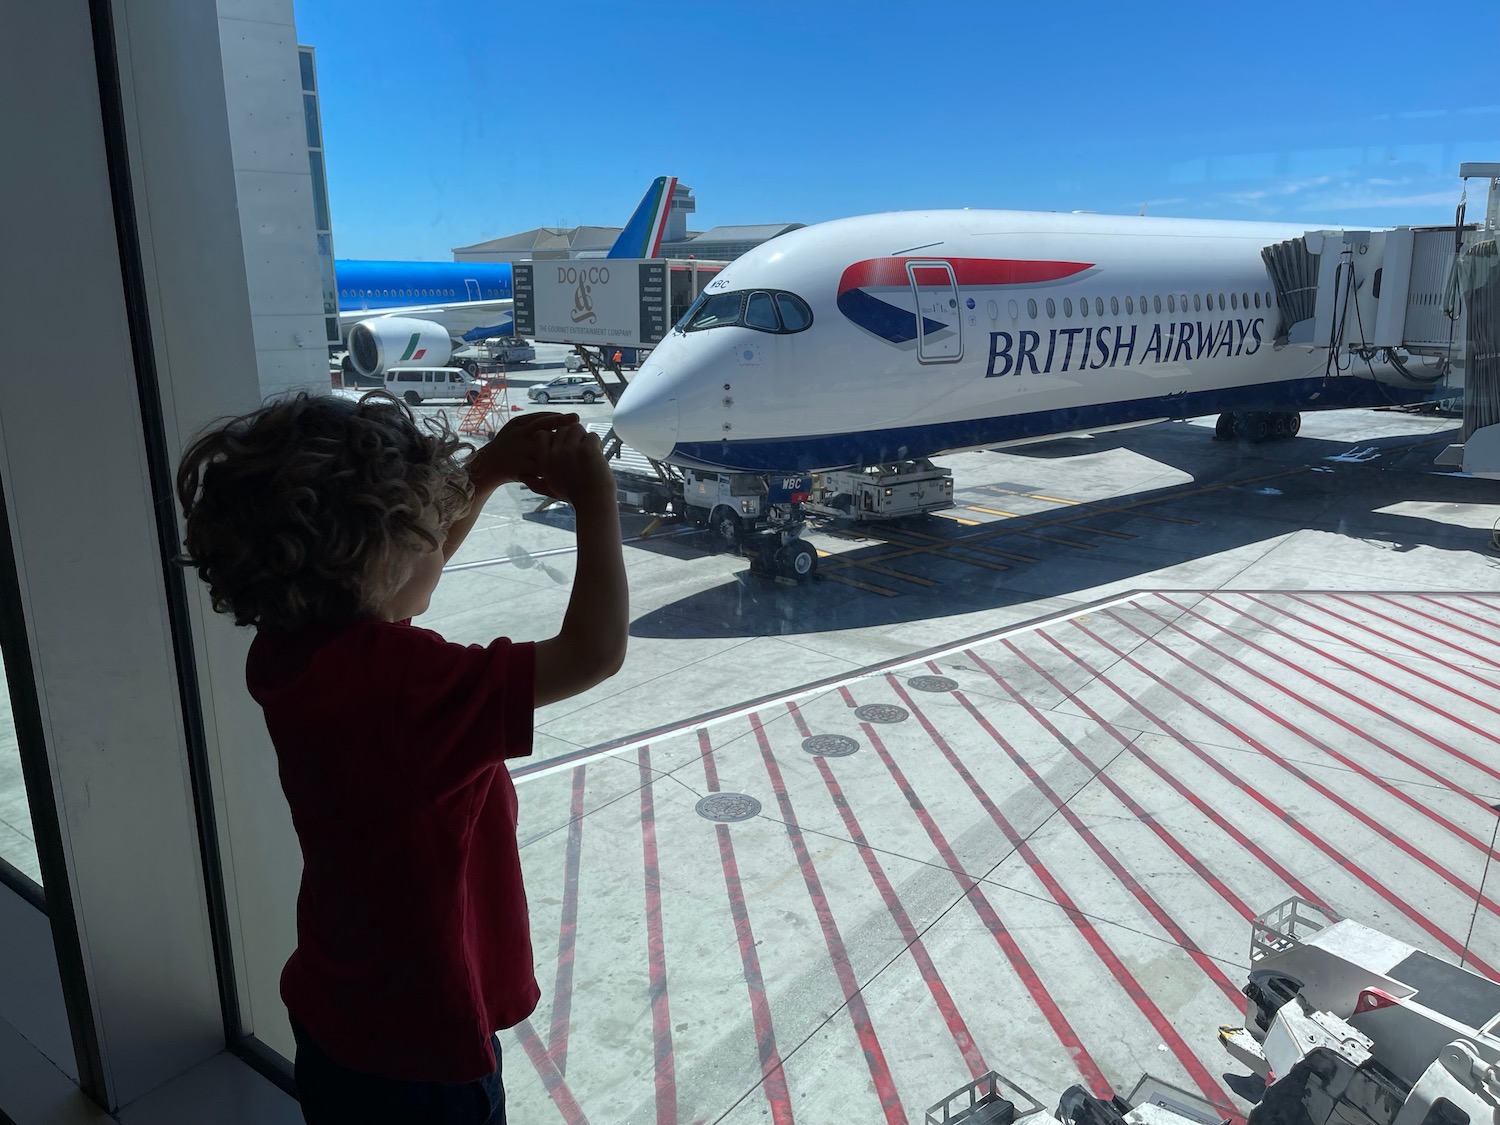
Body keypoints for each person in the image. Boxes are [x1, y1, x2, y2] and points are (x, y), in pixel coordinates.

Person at [174, 392, 628, 1124]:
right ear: (373, 563)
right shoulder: (403, 689)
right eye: (423, 535)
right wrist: (597, 497)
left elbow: (394, 581)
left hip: (340, 1008)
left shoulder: (294, 644)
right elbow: (593, 652)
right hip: (424, 1051)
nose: (438, 546)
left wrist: (485, 471)